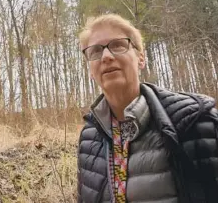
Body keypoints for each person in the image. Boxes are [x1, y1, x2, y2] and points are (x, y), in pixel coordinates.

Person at [77, 14, 218, 203]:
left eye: (118, 45)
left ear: (141, 59)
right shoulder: (89, 138)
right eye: (95, 51)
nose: (106, 56)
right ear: (90, 71)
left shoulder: (195, 121)